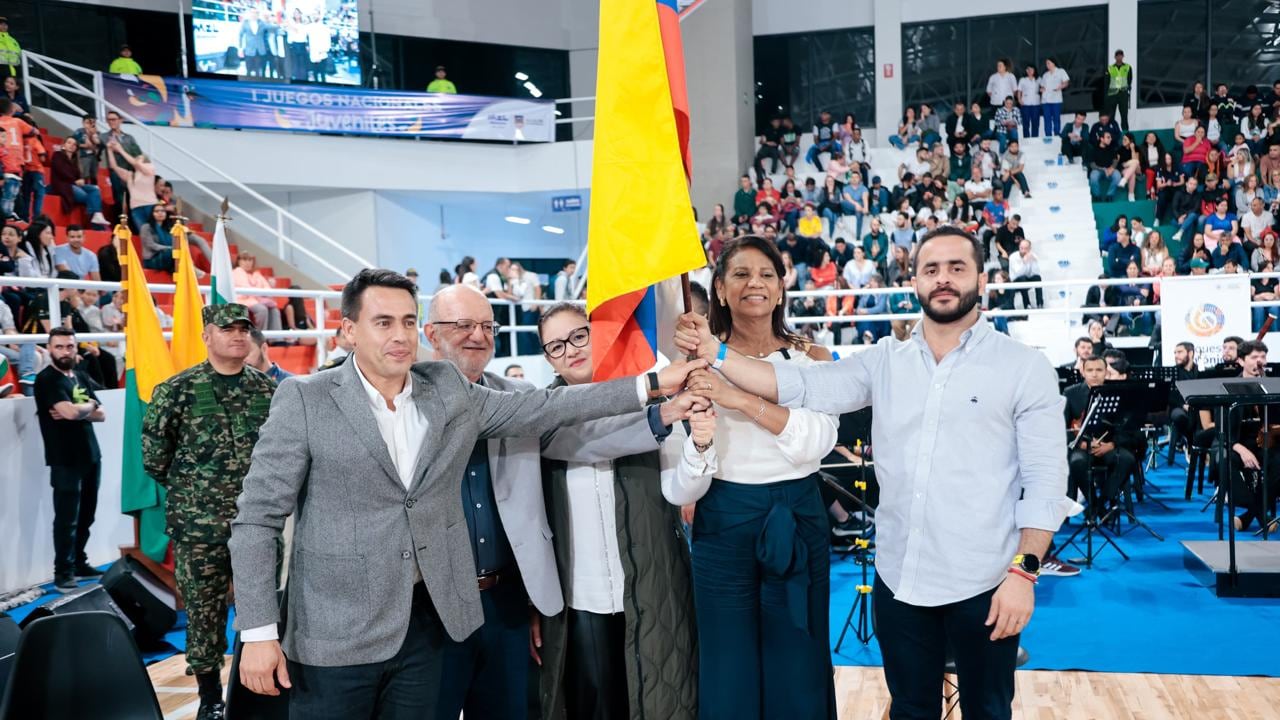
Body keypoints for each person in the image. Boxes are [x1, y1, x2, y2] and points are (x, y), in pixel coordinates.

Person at [229, 269, 704, 718]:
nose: (399, 335)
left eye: (408, 321)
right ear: (349, 330)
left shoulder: (446, 389)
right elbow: (257, 520)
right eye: (383, 322)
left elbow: (547, 406)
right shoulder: (305, 399)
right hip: (333, 634)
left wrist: (654, 385)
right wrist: (257, 632)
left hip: (430, 631)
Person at [675, 226, 1071, 720]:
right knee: (909, 709)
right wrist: (714, 353)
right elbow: (799, 384)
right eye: (931, 269)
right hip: (899, 580)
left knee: (988, 711)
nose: (943, 279)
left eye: (956, 268)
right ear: (914, 281)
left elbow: (1047, 480)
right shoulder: (884, 361)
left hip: (987, 582)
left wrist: (1024, 573)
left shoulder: (1023, 367)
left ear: (982, 279)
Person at [658, 236, 839, 719]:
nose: (754, 283)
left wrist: (735, 397)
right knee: (727, 665)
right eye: (740, 273)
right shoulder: (688, 370)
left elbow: (815, 442)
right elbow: (677, 489)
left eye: (766, 273)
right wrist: (698, 444)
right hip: (721, 526)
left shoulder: (814, 358)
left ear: (782, 288)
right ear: (718, 289)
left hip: (798, 518)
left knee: (799, 662)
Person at [534, 302, 702, 720]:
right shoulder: (540, 417)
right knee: (597, 706)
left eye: (578, 335)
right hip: (581, 596)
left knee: (658, 701)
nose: (570, 350)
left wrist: (701, 446)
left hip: (651, 583)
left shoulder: (646, 392)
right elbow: (582, 437)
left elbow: (681, 489)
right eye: (555, 346)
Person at [141, 304, 276, 720]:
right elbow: (154, 459)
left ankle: (268, 691)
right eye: (227, 328)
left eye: (244, 329)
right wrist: (199, 495)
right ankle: (210, 700)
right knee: (203, 613)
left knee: (268, 607)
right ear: (206, 335)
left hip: (259, 523)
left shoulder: (267, 390)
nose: (238, 335)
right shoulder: (176, 391)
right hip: (200, 528)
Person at [34, 327, 106, 591]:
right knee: (67, 519)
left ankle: (78, 561)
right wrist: (88, 408)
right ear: (50, 349)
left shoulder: (81, 376)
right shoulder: (48, 380)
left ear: (76, 348)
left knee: (87, 514)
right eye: (60, 347)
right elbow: (70, 412)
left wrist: (82, 409)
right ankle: (63, 572)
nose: (65, 351)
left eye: (70, 346)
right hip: (64, 459)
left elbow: (102, 413)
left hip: (91, 455)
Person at [1199, 341, 1280, 533]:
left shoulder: (1273, 386)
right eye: (1254, 357)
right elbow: (1221, 428)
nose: (1259, 361)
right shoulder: (1227, 387)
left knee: (1278, 462)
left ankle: (1249, 515)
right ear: (1241, 361)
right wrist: (1240, 448)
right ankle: (1260, 514)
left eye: (1262, 357)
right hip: (1235, 443)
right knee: (1226, 461)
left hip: (1266, 442)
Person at [48, 136, 109, 228]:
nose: (71, 145)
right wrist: (76, 181)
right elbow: (62, 172)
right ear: (63, 145)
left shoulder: (75, 161)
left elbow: (78, 177)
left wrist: (81, 180)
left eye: (74, 144)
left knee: (95, 189)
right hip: (63, 186)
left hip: (74, 185)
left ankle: (97, 215)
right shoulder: (57, 155)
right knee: (89, 197)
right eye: (69, 143)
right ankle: (97, 223)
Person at [104, 137, 157, 231]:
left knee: (155, 232)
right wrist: (109, 149)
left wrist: (120, 149)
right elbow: (114, 166)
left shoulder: (150, 168)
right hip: (135, 208)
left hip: (150, 205)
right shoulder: (130, 175)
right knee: (143, 233)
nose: (137, 159)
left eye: (139, 157)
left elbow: (136, 164)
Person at [232, 252, 283, 332]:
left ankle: (276, 339)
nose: (247, 262)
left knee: (274, 310)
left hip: (257, 299)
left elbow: (267, 288)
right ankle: (259, 337)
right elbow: (246, 288)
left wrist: (264, 292)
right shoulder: (237, 272)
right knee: (262, 309)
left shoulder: (257, 274)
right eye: (244, 260)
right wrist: (261, 293)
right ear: (239, 261)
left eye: (250, 260)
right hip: (243, 300)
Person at [102, 110, 142, 212]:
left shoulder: (129, 138)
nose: (111, 122)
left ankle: (132, 226)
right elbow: (95, 141)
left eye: (114, 119)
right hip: (115, 173)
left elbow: (138, 155)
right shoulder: (104, 137)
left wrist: (121, 150)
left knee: (132, 200)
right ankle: (119, 225)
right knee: (118, 200)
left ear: (120, 120)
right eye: (109, 120)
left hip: (130, 171)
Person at [1039, 58, 1069, 137]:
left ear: (1053, 63)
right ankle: (1048, 136)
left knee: (1056, 119)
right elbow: (1042, 86)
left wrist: (1060, 87)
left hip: (1056, 99)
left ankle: (1057, 136)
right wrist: (1042, 89)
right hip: (1046, 100)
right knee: (1047, 120)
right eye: (1046, 63)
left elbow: (1066, 82)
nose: (1047, 65)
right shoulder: (1045, 75)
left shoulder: (1060, 71)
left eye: (1048, 63)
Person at [1105, 49, 1133, 132]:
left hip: (1123, 94)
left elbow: (1129, 79)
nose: (1119, 57)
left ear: (1123, 56)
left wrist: (1126, 89)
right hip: (1112, 94)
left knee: (1124, 115)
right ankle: (1111, 132)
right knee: (1111, 115)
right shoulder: (1110, 68)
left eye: (1121, 55)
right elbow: (1106, 81)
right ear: (1115, 57)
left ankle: (1125, 133)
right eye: (1117, 55)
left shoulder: (1128, 67)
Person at [1089, 131, 1122, 201]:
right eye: (1108, 137)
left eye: (1110, 137)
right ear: (1102, 139)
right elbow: (1092, 164)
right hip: (1098, 170)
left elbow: (1115, 160)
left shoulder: (1112, 148)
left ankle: (1109, 195)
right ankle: (1097, 196)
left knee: (1117, 175)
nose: (1110, 139)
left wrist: (1112, 168)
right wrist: (1103, 169)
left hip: (1110, 170)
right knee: (1093, 176)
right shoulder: (1094, 149)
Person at [71, 115, 103, 184]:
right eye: (88, 122)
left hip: (94, 157)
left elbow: (100, 145)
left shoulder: (97, 133)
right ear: (83, 123)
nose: (90, 124)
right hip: (83, 156)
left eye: (92, 122)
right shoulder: (79, 131)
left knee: (94, 176)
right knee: (84, 175)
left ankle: (94, 189)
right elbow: (73, 143)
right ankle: (85, 190)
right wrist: (84, 145)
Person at [754, 116, 783, 180]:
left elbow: (781, 142)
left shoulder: (780, 130)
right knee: (759, 156)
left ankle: (773, 171)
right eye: (776, 122)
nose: (777, 123)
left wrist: (777, 144)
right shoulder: (767, 129)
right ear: (772, 122)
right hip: (766, 147)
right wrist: (768, 143)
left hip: (775, 148)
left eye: (778, 122)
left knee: (775, 155)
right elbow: (761, 141)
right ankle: (759, 173)